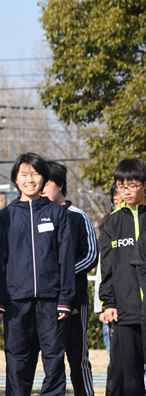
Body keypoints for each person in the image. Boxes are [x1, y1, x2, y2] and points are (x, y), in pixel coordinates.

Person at [0, 153, 75, 396]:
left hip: (51, 301)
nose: (30, 179)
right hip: (16, 302)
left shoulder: (57, 214)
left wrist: (65, 299)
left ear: (44, 178)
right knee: (17, 361)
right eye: (24, 174)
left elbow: (66, 259)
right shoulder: (6, 216)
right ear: (16, 179)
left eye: (36, 174)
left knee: (54, 359)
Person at [30, 161, 97, 396]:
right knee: (49, 358)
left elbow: (90, 257)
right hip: (42, 301)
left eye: (46, 182)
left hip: (74, 299)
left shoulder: (78, 217)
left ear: (60, 185)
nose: (41, 186)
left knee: (77, 355)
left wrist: (61, 275)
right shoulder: (35, 216)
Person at [99, 159, 146, 396]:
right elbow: (106, 268)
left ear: (145, 185)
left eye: (132, 185)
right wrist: (109, 303)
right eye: (121, 186)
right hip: (126, 312)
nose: (126, 192)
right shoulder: (113, 223)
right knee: (131, 377)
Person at [95, 187, 123, 396]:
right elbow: (102, 274)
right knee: (116, 363)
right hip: (115, 309)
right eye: (116, 200)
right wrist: (103, 305)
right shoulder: (109, 228)